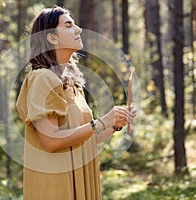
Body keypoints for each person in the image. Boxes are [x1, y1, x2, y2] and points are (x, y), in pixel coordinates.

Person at [16, 5, 136, 200]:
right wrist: (102, 121)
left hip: (79, 177)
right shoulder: (42, 78)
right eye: (69, 25)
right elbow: (51, 141)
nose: (78, 29)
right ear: (52, 37)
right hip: (56, 185)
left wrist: (114, 125)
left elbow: (82, 141)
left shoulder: (71, 83)